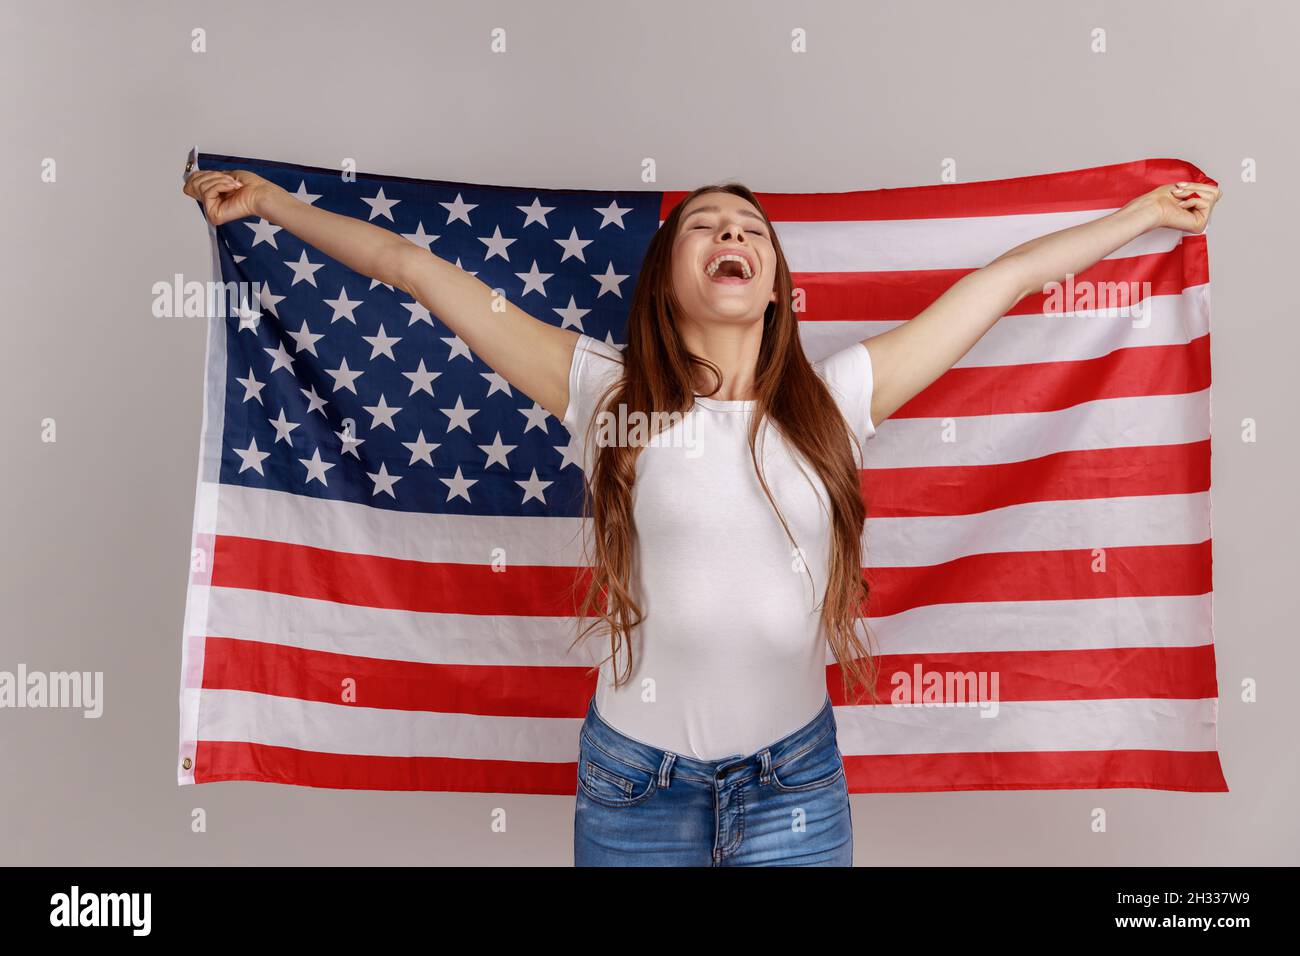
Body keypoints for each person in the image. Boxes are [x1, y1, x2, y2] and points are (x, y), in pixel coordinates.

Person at [183, 168, 1220, 866]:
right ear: (668, 274)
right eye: (706, 227)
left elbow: (998, 283)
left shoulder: (840, 395)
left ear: (775, 285)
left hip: (795, 784)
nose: (732, 235)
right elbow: (412, 269)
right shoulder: (601, 389)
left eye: (751, 231)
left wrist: (1139, 219)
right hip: (635, 788)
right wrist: (271, 203)